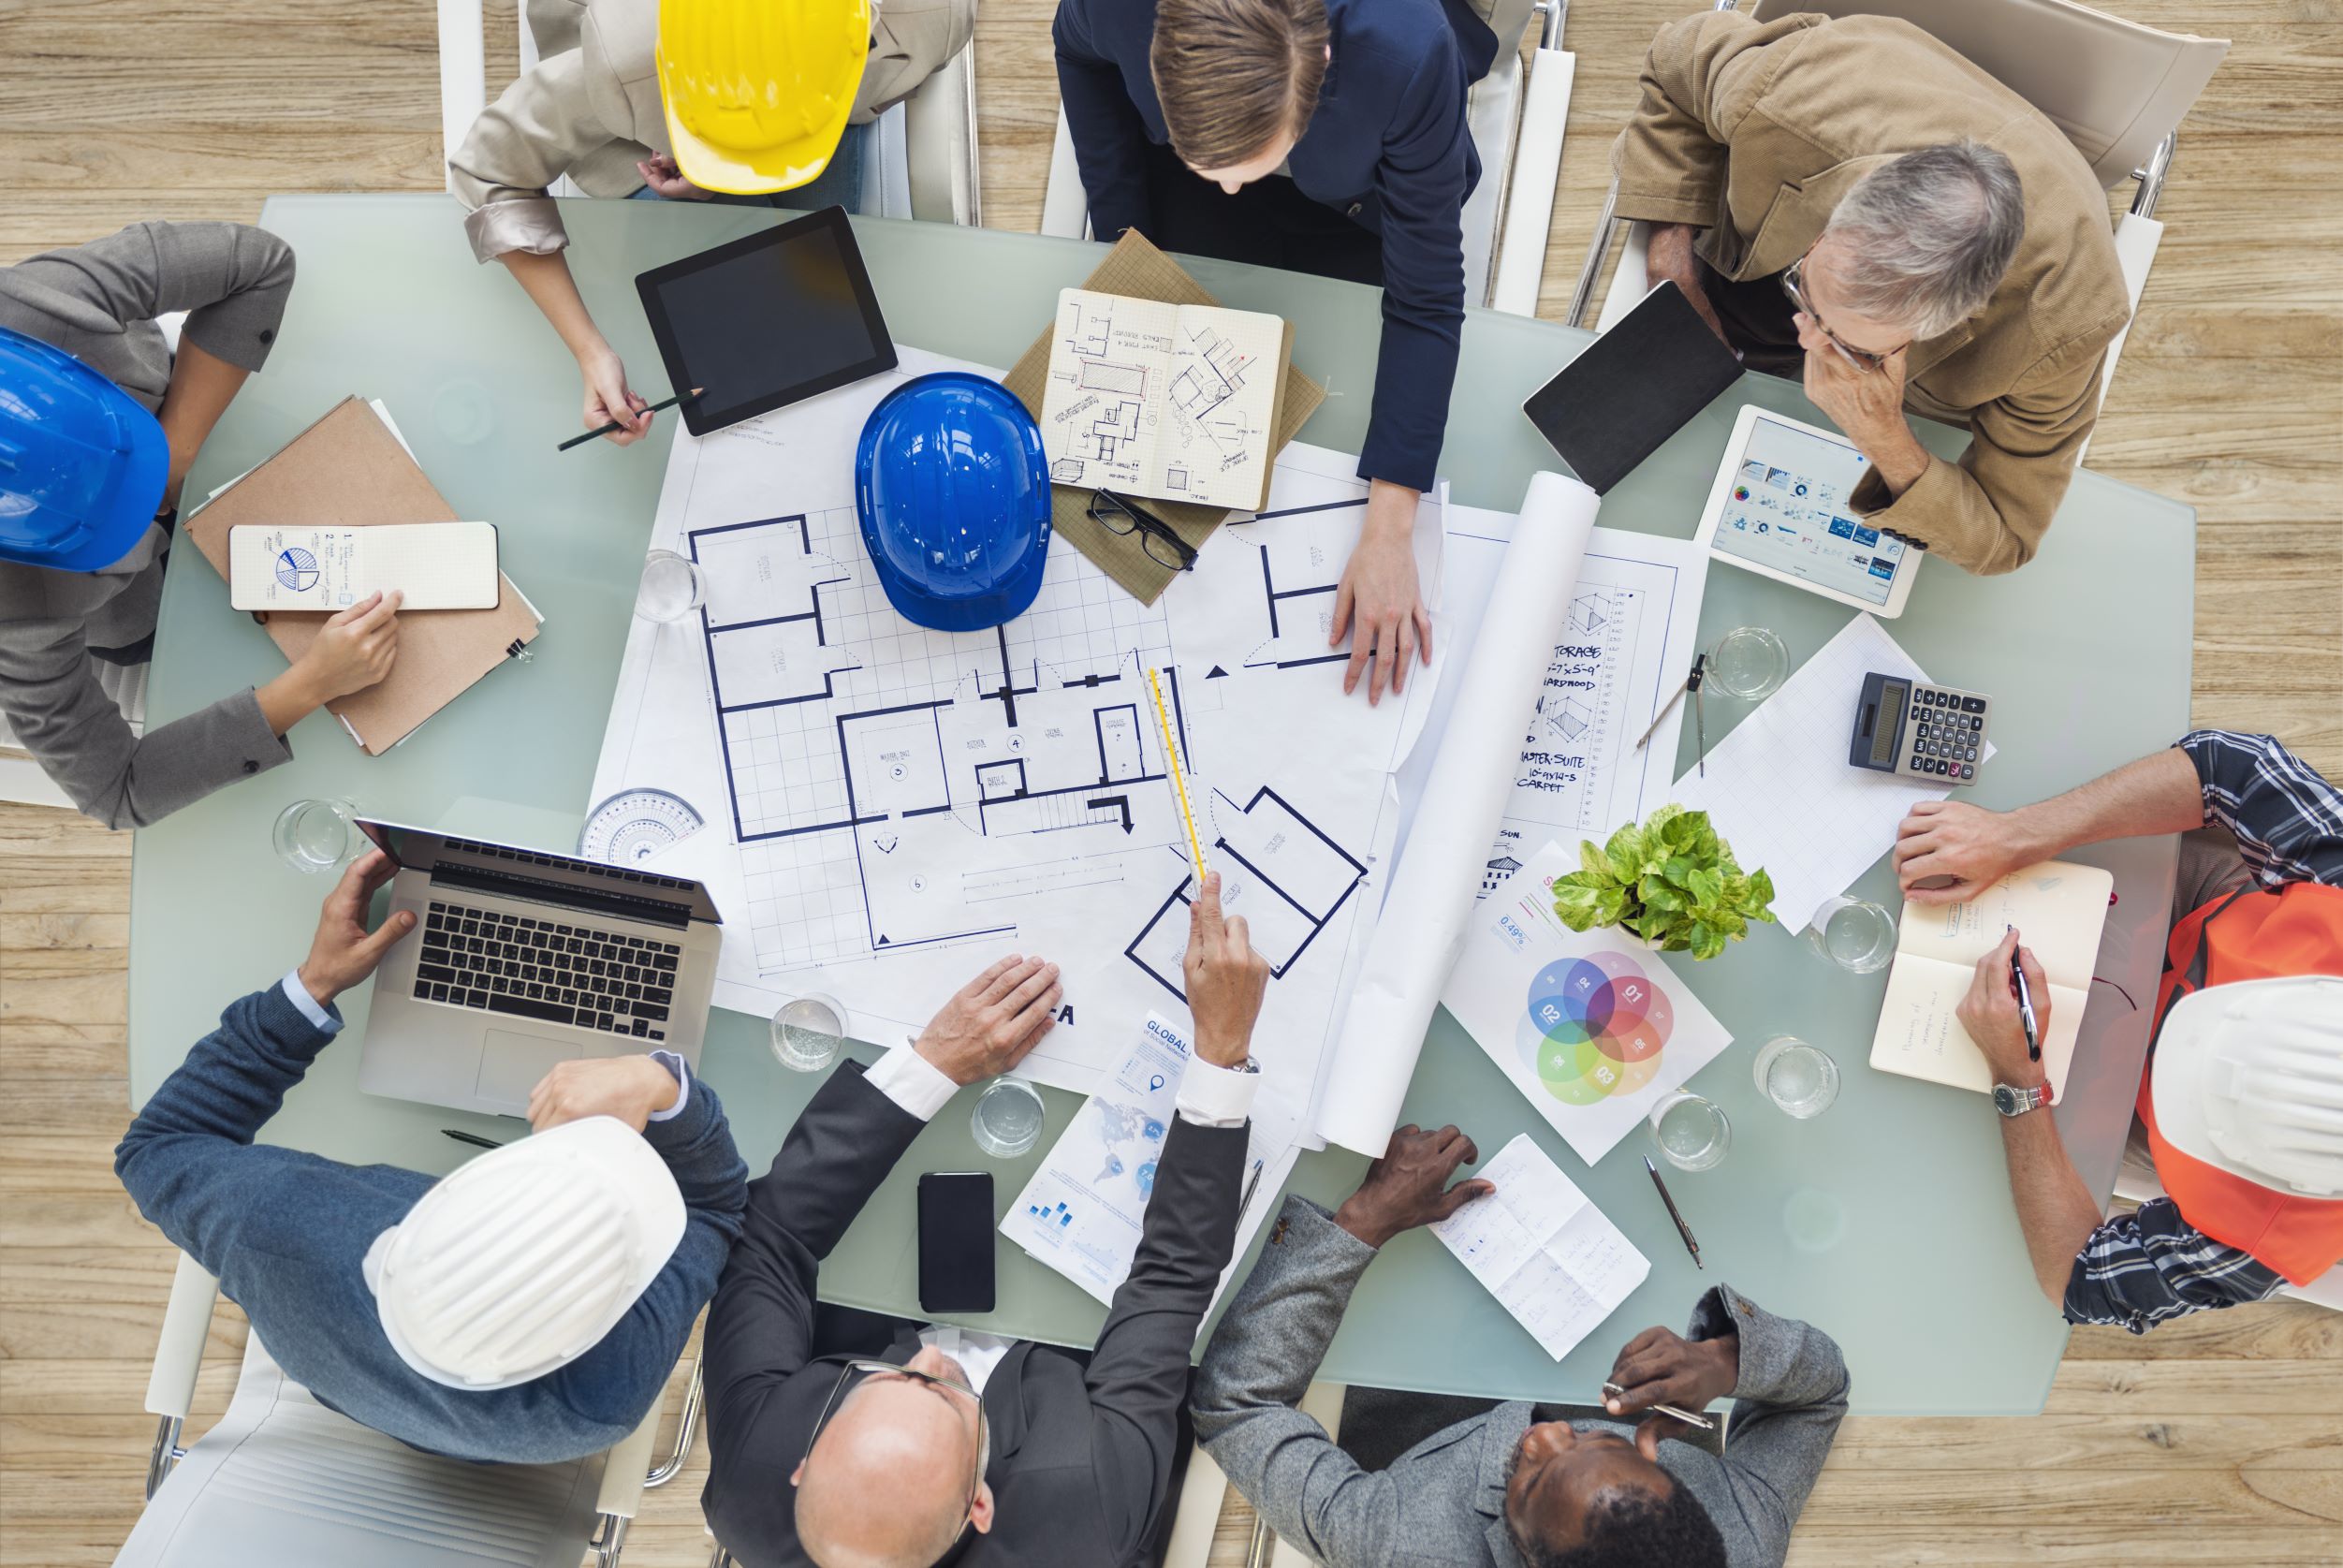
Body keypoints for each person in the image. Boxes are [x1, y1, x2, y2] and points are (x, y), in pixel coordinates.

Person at [699, 872, 1270, 1567]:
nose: (925, 1357)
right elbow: (1173, 1278)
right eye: (941, 1391)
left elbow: (769, 1238)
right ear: (980, 1503)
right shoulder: (1085, 1509)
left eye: (885, 1379)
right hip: (1082, 1340)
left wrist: (931, 1064)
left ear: (802, 1466)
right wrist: (1221, 1055)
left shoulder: (752, 1476)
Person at [112, 850, 748, 1463]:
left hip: (361, 1383)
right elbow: (715, 1208)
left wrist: (316, 983)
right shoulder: (602, 1400)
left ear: (392, 1239)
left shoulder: (277, 1224)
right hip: (440, 1425)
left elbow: (156, 1145)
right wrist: (662, 1086)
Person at [1054, 0, 1500, 705]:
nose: (1232, 186)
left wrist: (1391, 529)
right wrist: (1125, 240)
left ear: (1322, 63)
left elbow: (1427, 299)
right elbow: (1076, 49)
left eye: (1246, 167)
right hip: (1188, 182)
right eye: (1216, 167)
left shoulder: (1406, 51)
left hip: (1361, 199)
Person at [1612, 9, 2132, 575]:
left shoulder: (2064, 324)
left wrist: (1883, 437)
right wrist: (1673, 268)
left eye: (1855, 348)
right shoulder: (1790, 95)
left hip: (1905, 413)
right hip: (1749, 264)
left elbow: (2005, 538)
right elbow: (1675, 64)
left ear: (1955, 320)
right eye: (1805, 291)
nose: (1809, 345)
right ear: (1839, 216)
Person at [1194, 1123, 1852, 1568]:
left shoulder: (1394, 1543)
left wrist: (1362, 1220)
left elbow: (1238, 1407)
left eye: (1531, 1484)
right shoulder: (1743, 1537)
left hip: (1416, 1353)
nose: (1546, 1436)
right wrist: (1723, 1360)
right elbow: (1819, 1396)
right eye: (1603, 1443)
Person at [1896, 730, 2343, 1331]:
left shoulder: (2264, 1241)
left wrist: (2018, 1082)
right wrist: (2016, 835)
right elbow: (2231, 766)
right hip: (2198, 907)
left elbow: (2078, 1282)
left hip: (2124, 1102)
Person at [0, 223, 402, 828]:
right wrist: (309, 686)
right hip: (146, 610)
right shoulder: (16, 620)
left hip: (209, 420)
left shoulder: (41, 301)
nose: (147, 512)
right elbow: (118, 792)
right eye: (111, 523)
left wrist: (177, 447)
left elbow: (258, 263)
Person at [448, 0, 974, 449]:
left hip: (824, 102)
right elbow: (487, 171)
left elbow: (894, 79)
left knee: (817, 319)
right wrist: (592, 353)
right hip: (635, 104)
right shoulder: (626, 59)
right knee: (743, 333)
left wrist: (727, 161)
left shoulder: (932, 15)